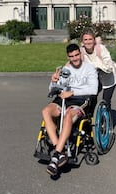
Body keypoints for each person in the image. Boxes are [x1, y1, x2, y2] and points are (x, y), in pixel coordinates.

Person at [42, 43, 98, 176]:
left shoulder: (90, 69)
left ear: (81, 54)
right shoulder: (65, 69)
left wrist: (72, 93)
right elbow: (54, 90)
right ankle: (60, 151)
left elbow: (93, 90)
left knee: (68, 115)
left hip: (81, 100)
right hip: (63, 99)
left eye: (77, 55)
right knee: (45, 111)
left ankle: (55, 157)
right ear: (68, 57)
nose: (75, 58)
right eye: (71, 56)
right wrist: (54, 82)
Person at [80, 28, 116, 108]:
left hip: (110, 77)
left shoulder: (100, 49)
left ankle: (107, 118)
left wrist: (97, 66)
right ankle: (93, 116)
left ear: (94, 40)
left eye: (90, 39)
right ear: (82, 41)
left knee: (106, 101)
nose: (88, 42)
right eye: (85, 39)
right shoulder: (81, 51)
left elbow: (109, 67)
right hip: (95, 78)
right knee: (91, 96)